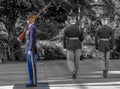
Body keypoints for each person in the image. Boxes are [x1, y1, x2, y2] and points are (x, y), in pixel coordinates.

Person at [18, 14, 39, 87]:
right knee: (30, 67)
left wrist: (30, 49)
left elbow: (33, 40)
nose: (27, 21)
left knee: (33, 67)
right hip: (28, 50)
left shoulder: (32, 28)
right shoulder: (28, 28)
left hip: (31, 51)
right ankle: (31, 81)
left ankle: (34, 82)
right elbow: (27, 39)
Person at [63, 12, 84, 79]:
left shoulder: (66, 28)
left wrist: (64, 46)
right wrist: (79, 39)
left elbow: (64, 38)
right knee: (77, 60)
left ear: (70, 20)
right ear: (75, 20)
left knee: (70, 59)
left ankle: (73, 72)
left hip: (69, 45)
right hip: (78, 45)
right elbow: (82, 38)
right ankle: (75, 73)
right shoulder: (79, 28)